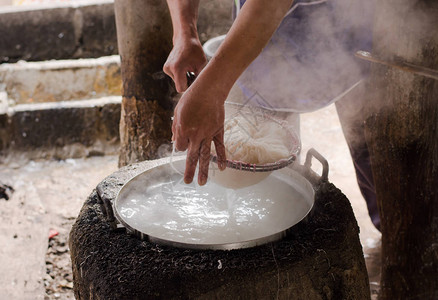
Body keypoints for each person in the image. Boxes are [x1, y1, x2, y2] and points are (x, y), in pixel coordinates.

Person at [163, 0, 380, 230]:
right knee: (271, 158)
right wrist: (185, 32)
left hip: (350, 26)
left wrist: (211, 89)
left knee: (378, 162)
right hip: (259, 34)